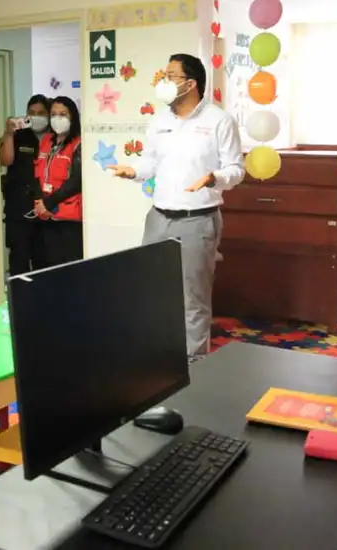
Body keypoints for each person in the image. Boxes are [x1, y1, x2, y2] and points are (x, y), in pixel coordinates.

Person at [108, 54, 244, 359]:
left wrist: (214, 178)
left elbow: (236, 169)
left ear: (191, 83)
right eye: (164, 76)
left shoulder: (219, 120)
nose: (164, 82)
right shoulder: (160, 120)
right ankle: (158, 355)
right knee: (151, 289)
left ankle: (194, 362)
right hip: (158, 219)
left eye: (171, 76)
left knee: (192, 298)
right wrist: (132, 171)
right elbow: (151, 162)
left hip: (198, 220)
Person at [0, 94, 49, 275]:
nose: (36, 116)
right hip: (18, 207)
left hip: (46, 207)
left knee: (43, 261)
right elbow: (5, 160)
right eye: (32, 112)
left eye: (41, 113)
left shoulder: (54, 138)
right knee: (19, 259)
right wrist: (8, 133)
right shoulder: (20, 135)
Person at [32, 96, 83, 267]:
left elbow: (76, 181)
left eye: (63, 114)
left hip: (68, 217)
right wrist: (40, 202)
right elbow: (36, 172)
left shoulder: (78, 143)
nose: (57, 118)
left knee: (69, 267)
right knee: (47, 264)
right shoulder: (46, 141)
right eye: (53, 114)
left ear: (72, 117)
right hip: (45, 215)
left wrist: (49, 203)